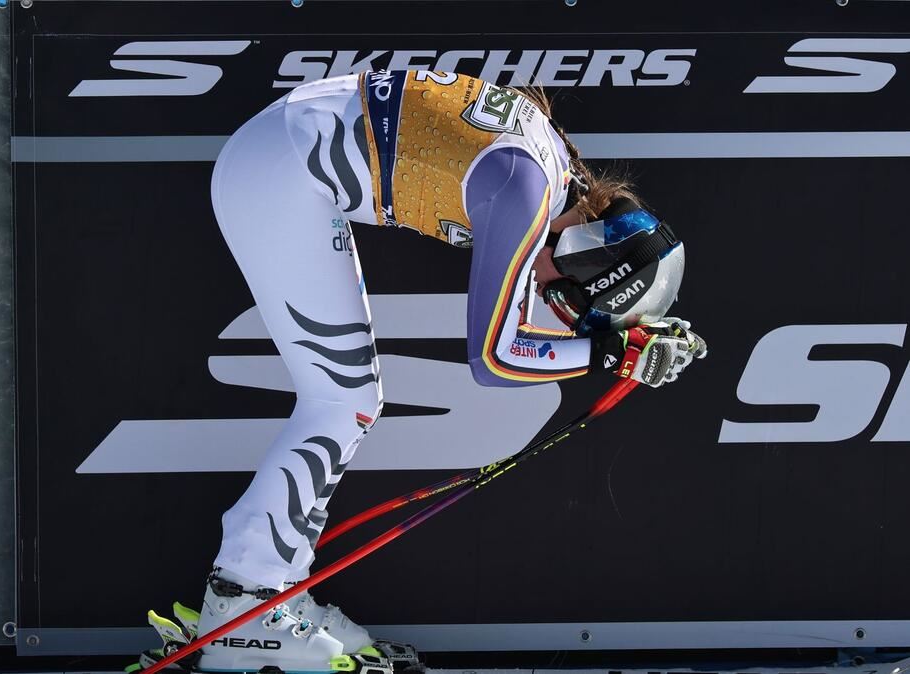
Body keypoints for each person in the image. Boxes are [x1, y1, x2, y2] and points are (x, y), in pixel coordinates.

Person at [193, 69, 706, 673]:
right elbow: (494, 358)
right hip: (280, 173)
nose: (555, 304)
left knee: (346, 399)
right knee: (341, 402)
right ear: (585, 259)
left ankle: (271, 592)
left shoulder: (548, 174)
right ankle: (243, 608)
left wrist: (616, 344)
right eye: (570, 301)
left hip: (284, 159)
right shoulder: (526, 190)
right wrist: (610, 354)